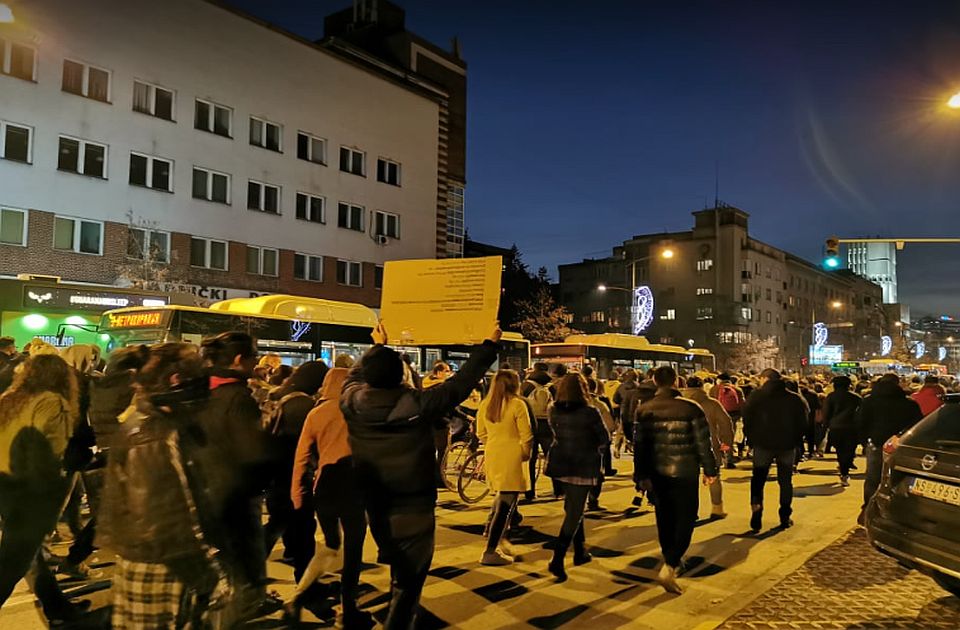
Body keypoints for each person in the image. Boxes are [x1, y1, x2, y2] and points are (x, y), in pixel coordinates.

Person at [340, 321, 500, 630]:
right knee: (411, 576)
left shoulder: (350, 401)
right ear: (400, 375)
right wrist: (488, 346)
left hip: (374, 499)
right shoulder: (418, 405)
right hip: (413, 503)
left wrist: (377, 347)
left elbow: (353, 376)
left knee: (396, 561)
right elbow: (461, 385)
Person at [98, 343, 230, 628]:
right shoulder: (154, 435)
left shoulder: (155, 422)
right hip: (165, 568)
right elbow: (163, 521)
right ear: (177, 380)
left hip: (155, 561)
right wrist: (207, 579)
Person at [0, 354, 89, 625]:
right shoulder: (53, 402)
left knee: (29, 554)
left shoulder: (10, 399)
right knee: (12, 563)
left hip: (4, 485)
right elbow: (51, 454)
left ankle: (58, 609)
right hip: (30, 493)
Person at [196, 331, 274, 622]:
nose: (257, 364)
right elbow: (253, 454)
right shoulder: (238, 397)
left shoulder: (203, 391)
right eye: (254, 358)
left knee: (224, 569)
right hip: (235, 497)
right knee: (246, 578)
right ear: (240, 360)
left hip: (206, 491)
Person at [287, 367, 372, 628]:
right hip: (353, 485)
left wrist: (297, 494)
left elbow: (301, 458)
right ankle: (348, 610)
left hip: (324, 487)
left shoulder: (315, 413)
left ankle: (298, 594)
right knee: (354, 550)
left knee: (331, 544)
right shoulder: (357, 411)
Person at [635, 367, 718, 594]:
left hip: (657, 473)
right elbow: (703, 443)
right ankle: (671, 563)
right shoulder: (691, 408)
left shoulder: (644, 410)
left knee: (664, 517)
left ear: (655, 381)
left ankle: (669, 557)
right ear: (676, 381)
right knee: (686, 517)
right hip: (685, 471)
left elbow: (640, 448)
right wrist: (710, 469)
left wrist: (640, 476)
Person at [264, 361, 328, 582]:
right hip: (293, 471)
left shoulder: (277, 395)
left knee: (283, 519)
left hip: (273, 469)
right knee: (302, 525)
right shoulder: (303, 405)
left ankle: (289, 555)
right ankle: (306, 582)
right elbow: (306, 444)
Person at [544, 374, 609, 582]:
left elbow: (555, 432)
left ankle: (580, 551)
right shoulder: (590, 412)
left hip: (561, 462)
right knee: (574, 513)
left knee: (572, 508)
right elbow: (604, 438)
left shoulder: (553, 409)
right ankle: (558, 557)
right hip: (583, 464)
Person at [476, 370, 533, 565]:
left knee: (500, 496)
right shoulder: (517, 404)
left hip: (493, 452)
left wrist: (492, 443)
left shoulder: (486, 404)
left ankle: (493, 533)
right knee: (507, 503)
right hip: (512, 454)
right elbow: (527, 434)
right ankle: (490, 550)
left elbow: (480, 433)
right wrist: (526, 452)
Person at [742, 368, 808, 532]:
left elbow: (747, 419)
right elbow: (803, 422)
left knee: (758, 479)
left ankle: (756, 510)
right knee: (785, 481)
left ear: (765, 379)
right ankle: (784, 515)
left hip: (762, 444)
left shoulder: (756, 396)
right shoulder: (794, 399)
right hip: (786, 445)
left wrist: (751, 439)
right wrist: (796, 440)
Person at [857, 374, 923, 522]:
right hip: (900, 446)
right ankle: (894, 511)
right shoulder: (909, 403)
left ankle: (869, 509)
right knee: (898, 479)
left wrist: (866, 442)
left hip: (876, 444)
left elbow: (861, 423)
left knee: (873, 479)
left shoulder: (869, 401)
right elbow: (916, 425)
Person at [681, 375, 733, 519]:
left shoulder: (680, 403)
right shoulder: (712, 403)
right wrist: (726, 443)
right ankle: (717, 508)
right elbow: (726, 423)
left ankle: (690, 511)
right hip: (710, 444)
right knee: (714, 476)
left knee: (688, 479)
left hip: (685, 444)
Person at [522, 362, 555, 500]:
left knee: (530, 459)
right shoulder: (551, 387)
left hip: (530, 422)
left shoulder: (525, 386)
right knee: (552, 457)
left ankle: (529, 492)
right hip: (546, 424)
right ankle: (558, 489)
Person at [821, 376, 862, 486]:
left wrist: (825, 426)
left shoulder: (831, 397)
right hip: (852, 428)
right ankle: (845, 470)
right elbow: (861, 414)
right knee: (849, 450)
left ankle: (844, 472)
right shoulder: (856, 397)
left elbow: (826, 413)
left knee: (840, 451)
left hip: (836, 427)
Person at [710, 373, 744, 467]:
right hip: (733, 416)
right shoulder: (737, 389)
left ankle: (719, 456)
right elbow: (742, 404)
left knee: (718, 437)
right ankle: (728, 457)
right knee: (728, 438)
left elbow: (712, 402)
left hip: (717, 415)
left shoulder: (714, 389)